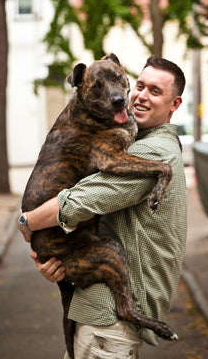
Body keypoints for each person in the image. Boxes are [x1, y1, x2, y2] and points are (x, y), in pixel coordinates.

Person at [18, 56, 187, 359]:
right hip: (101, 322)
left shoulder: (154, 151)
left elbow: (80, 202)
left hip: (108, 325)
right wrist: (56, 261)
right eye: (139, 86)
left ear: (175, 104)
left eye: (155, 91)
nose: (136, 96)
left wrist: (26, 223)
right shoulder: (125, 138)